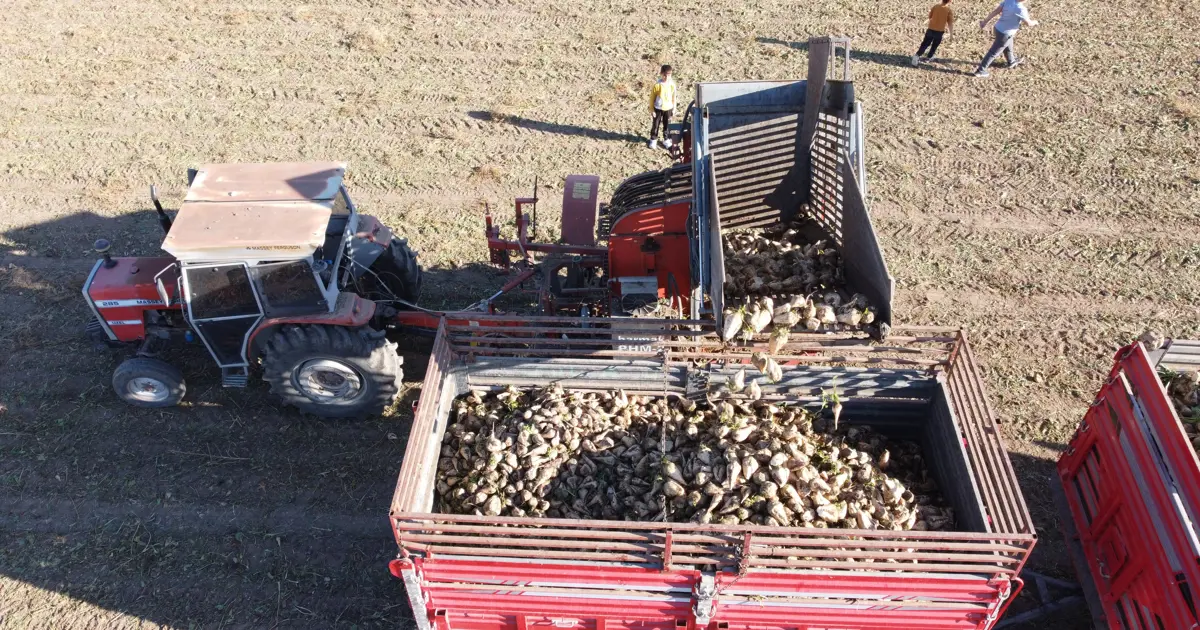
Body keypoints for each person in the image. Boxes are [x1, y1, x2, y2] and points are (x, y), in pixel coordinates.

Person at [974, 0, 1038, 77]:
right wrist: (1035, 22)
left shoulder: (1009, 1)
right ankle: (981, 71)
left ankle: (1011, 61)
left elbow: (996, 11)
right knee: (993, 53)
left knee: (1008, 45)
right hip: (1005, 34)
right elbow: (1028, 23)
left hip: (998, 29)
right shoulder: (1021, 9)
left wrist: (985, 22)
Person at [912, 0, 954, 66]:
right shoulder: (948, 10)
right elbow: (950, 23)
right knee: (934, 45)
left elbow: (930, 16)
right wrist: (951, 34)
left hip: (930, 29)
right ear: (950, 1)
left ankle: (917, 56)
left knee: (925, 44)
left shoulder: (935, 7)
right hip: (939, 32)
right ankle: (929, 57)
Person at [647, 65, 676, 149]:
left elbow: (674, 97)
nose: (667, 77)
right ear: (661, 74)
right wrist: (652, 110)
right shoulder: (657, 85)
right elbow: (652, 98)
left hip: (668, 108)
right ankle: (653, 139)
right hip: (658, 109)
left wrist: (674, 108)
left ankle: (666, 139)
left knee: (667, 125)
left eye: (669, 75)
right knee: (656, 125)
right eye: (665, 75)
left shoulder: (672, 85)